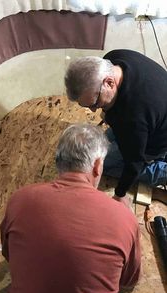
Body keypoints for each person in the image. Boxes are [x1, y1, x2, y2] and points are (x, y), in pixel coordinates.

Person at [0, 123, 141, 293]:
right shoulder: (124, 218)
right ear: (98, 166)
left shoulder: (20, 200)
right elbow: (128, 280)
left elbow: (9, 254)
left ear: (58, 161)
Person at [65, 49, 167, 208]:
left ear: (109, 83)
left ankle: (163, 171)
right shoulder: (113, 59)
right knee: (101, 150)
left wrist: (120, 194)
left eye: (95, 104)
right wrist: (107, 110)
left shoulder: (133, 118)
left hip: (158, 138)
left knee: (106, 165)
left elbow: (134, 163)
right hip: (156, 114)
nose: (93, 111)